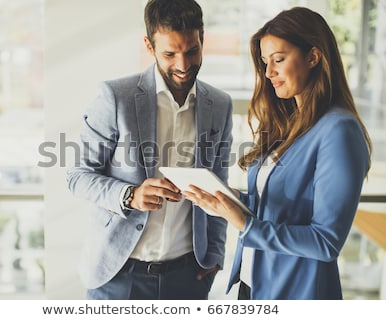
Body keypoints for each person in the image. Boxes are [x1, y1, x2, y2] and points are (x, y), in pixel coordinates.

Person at [184, 6, 372, 300]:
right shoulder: (289, 124)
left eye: (279, 60)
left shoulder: (339, 131)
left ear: (313, 56)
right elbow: (279, 207)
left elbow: (326, 241)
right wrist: (226, 200)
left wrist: (244, 223)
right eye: (265, 62)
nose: (269, 72)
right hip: (253, 285)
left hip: (296, 293)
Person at [66, 0, 233, 300]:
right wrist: (130, 195)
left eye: (192, 51)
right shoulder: (116, 97)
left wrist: (215, 256)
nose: (183, 65)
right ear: (149, 44)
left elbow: (219, 189)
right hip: (119, 276)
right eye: (170, 54)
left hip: (188, 278)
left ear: (202, 38)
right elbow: (77, 175)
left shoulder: (219, 105)